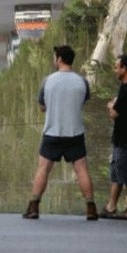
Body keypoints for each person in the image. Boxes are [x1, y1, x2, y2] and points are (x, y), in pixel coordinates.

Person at [23, 45, 99, 221]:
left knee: (43, 169)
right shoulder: (82, 81)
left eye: (54, 57)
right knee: (81, 170)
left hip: (52, 132)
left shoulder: (47, 81)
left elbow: (42, 105)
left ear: (58, 59)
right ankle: (91, 208)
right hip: (75, 133)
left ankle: (34, 206)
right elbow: (84, 101)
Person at [101, 55, 127, 220]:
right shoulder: (125, 87)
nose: (115, 70)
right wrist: (114, 105)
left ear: (125, 69)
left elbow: (114, 113)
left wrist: (111, 105)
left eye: (117, 67)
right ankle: (111, 206)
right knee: (116, 172)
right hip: (120, 138)